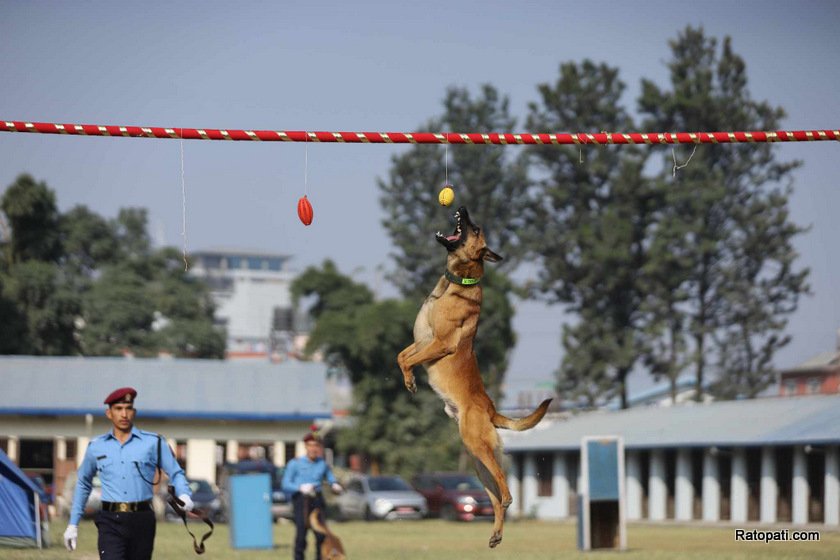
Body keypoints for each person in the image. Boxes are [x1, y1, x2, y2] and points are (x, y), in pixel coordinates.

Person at [63, 387, 193, 559]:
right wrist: (73, 524)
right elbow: (83, 483)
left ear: (134, 412)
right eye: (118, 409)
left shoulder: (153, 442)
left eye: (128, 408)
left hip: (142, 519)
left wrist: (184, 494)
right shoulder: (96, 446)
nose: (124, 414)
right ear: (109, 413)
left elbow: (176, 472)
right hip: (110, 520)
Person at [281, 431, 343, 560]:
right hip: (301, 500)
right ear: (305, 446)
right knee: (301, 535)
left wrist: (335, 485)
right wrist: (300, 488)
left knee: (321, 535)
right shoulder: (295, 463)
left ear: (319, 447)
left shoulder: (323, 464)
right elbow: (285, 483)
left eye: (316, 445)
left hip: (317, 500)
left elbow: (331, 479)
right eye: (310, 445)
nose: (313, 448)